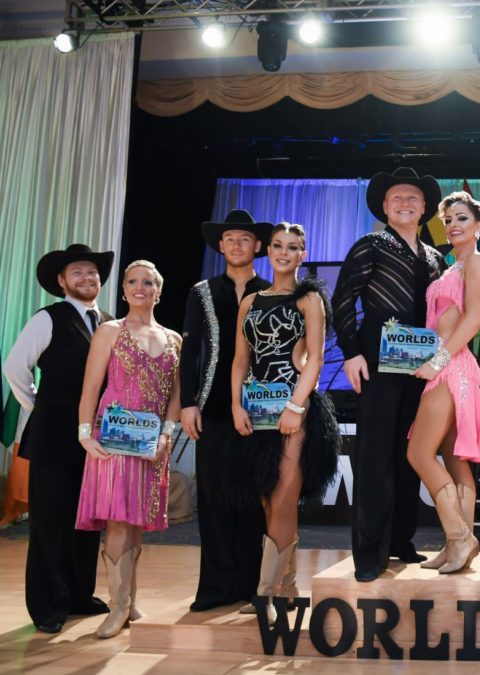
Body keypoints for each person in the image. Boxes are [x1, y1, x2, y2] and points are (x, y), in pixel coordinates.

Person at [332, 168, 445, 582]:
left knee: (408, 454)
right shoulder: (370, 245)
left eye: (413, 198)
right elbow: (343, 299)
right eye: (396, 198)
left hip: (421, 365)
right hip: (378, 359)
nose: (405, 203)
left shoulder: (434, 257)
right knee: (375, 455)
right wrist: (351, 353)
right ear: (383, 206)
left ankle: (401, 540)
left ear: (425, 207)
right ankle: (368, 553)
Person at [228, 223, 340, 621]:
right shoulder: (250, 300)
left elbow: (316, 358)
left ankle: (266, 594)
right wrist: (236, 406)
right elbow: (240, 360)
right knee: (266, 499)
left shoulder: (309, 299)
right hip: (256, 411)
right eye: (278, 245)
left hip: (297, 408)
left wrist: (295, 406)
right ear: (269, 250)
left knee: (283, 498)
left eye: (292, 247)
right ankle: (288, 587)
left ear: (302, 255)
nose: (283, 252)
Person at [3, 244, 115, 633]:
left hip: (97, 436)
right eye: (77, 272)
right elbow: (15, 367)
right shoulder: (47, 318)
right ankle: (48, 606)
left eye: (92, 272)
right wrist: (38, 406)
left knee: (87, 521)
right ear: (62, 281)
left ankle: (79, 595)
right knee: (50, 521)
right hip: (53, 435)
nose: (87, 278)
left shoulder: (109, 322)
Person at [75, 260, 182, 638]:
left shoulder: (173, 339)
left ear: (159, 290)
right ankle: (117, 606)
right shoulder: (109, 331)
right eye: (133, 281)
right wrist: (85, 434)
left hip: (151, 442)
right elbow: (91, 386)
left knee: (136, 521)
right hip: (114, 438)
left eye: (148, 282)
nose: (140, 287)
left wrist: (167, 435)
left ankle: (130, 600)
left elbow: (176, 395)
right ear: (123, 290)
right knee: (119, 519)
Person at [181, 209, 273, 612]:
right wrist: (187, 403)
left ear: (258, 246)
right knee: (214, 498)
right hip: (213, 407)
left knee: (254, 498)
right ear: (220, 245)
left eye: (244, 239)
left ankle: (252, 584)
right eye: (230, 239)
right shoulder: (201, 292)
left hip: (262, 408)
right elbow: (189, 352)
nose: (237, 245)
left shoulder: (270, 290)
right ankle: (216, 587)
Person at [406, 192, 480, 574]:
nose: (453, 225)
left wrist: (437, 362)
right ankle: (457, 545)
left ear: (478, 225)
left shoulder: (476, 261)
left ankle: (460, 538)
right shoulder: (451, 266)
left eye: (461, 218)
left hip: (451, 366)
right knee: (455, 459)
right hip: (447, 364)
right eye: (448, 220)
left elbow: (475, 316)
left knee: (418, 454)